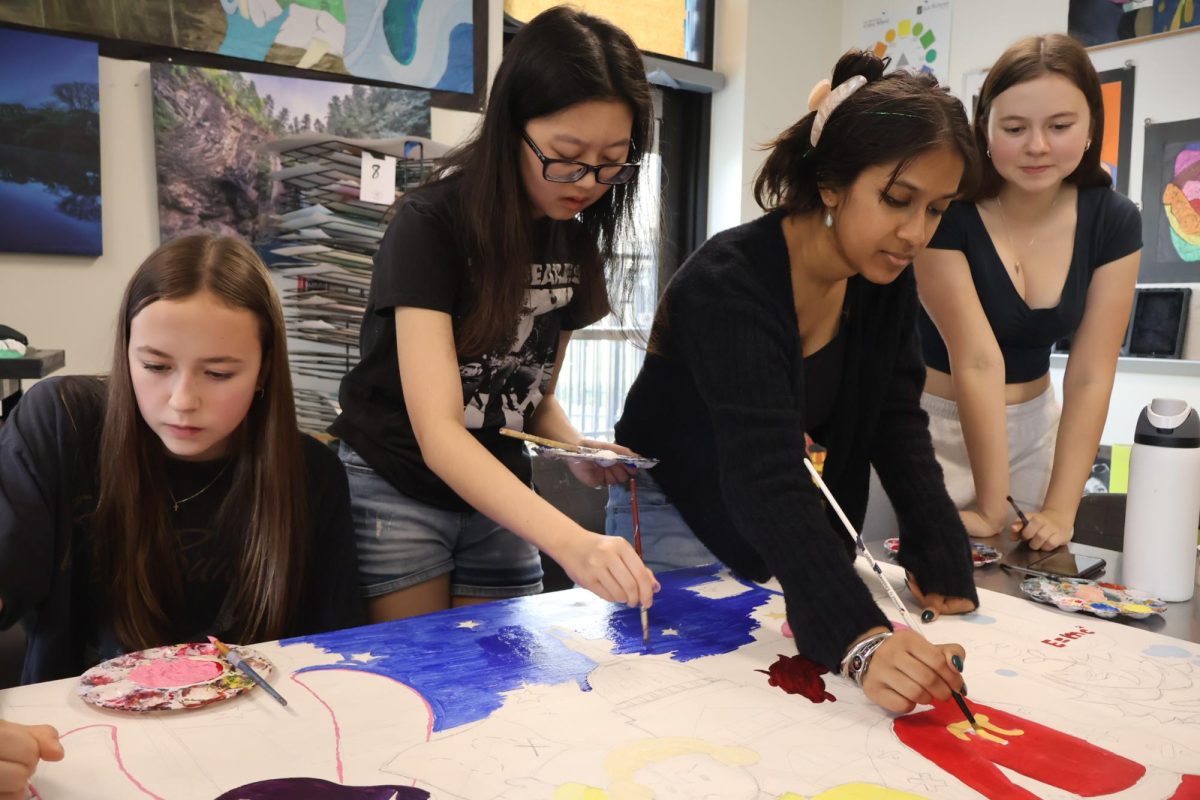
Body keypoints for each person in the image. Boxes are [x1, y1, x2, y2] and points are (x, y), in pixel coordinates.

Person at [606, 50, 981, 714]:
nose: (915, 232)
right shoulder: (729, 283)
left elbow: (895, 419)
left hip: (781, 522)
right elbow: (765, 471)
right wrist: (860, 639)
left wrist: (939, 548)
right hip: (675, 517)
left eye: (936, 209)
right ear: (830, 183)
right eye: (898, 200)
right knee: (688, 718)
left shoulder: (881, 276)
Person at [330, 7, 659, 623]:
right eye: (566, 155)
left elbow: (532, 394)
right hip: (398, 482)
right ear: (511, 127)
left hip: (497, 488)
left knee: (502, 667)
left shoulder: (574, 239)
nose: (588, 181)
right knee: (425, 665)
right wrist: (572, 542)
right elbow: (439, 434)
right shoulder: (432, 226)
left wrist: (573, 449)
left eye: (612, 160)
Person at [0, 234, 363, 791]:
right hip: (77, 756)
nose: (182, 400)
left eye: (218, 374)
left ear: (265, 369)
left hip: (261, 759)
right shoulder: (61, 422)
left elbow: (333, 661)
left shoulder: (310, 474)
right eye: (155, 365)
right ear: (126, 351)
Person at [914, 34, 1141, 550]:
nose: (1037, 146)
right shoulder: (948, 209)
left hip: (1035, 431)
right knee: (904, 581)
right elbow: (977, 360)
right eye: (1015, 129)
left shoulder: (1113, 220)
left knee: (1024, 588)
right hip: (929, 429)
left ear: (1091, 128)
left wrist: (1062, 508)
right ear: (985, 129)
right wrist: (992, 506)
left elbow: (1090, 373)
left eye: (1060, 126)